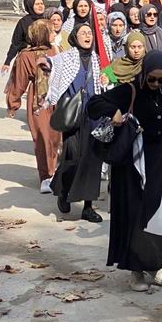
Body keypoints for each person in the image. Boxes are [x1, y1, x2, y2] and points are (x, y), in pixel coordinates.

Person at [87, 52, 162, 292]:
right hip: (131, 167)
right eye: (152, 80)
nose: (156, 85)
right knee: (134, 216)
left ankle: (155, 264)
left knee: (157, 216)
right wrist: (113, 111)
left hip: (158, 167)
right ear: (144, 74)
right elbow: (94, 103)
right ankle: (135, 269)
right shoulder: (129, 91)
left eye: (161, 80)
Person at [46, 22, 103, 222]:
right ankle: (63, 190)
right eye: (83, 33)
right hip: (72, 116)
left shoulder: (97, 59)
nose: (87, 36)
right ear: (75, 37)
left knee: (92, 160)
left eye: (90, 33)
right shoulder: (67, 57)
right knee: (72, 157)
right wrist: (44, 63)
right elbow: (51, 63)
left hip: (93, 116)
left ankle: (88, 206)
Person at [5, 19, 62, 191]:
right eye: (51, 31)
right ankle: (46, 176)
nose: (54, 34)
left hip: (57, 98)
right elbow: (19, 81)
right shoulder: (25, 55)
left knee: (56, 138)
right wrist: (13, 103)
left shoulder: (56, 50)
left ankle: (57, 172)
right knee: (42, 137)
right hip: (38, 100)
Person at [1, 0, 47, 73]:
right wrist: (7, 61)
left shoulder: (47, 20)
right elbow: (16, 43)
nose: (40, 6)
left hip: (46, 57)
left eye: (42, 4)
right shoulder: (24, 22)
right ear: (31, 6)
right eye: (37, 4)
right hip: (28, 57)